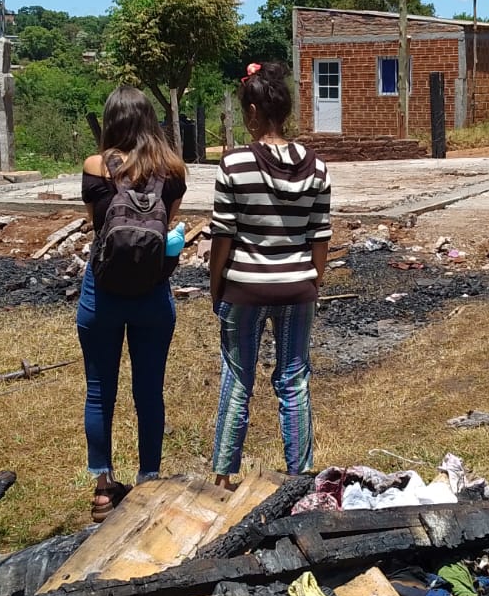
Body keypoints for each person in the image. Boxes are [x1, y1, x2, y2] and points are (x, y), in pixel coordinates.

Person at [208, 62, 332, 488]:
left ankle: (224, 475)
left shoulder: (235, 163)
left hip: (244, 286)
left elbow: (223, 234)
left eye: (246, 110)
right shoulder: (316, 166)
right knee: (294, 379)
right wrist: (312, 279)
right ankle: (299, 478)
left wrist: (216, 286)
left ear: (256, 110)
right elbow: (320, 234)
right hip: (298, 288)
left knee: (238, 378)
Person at [78, 85, 186, 520]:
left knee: (100, 389)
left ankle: (104, 489)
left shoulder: (94, 166)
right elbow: (167, 226)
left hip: (101, 292)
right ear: (150, 121)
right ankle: (149, 479)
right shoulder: (173, 170)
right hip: (152, 293)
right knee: (149, 392)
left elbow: (96, 227)